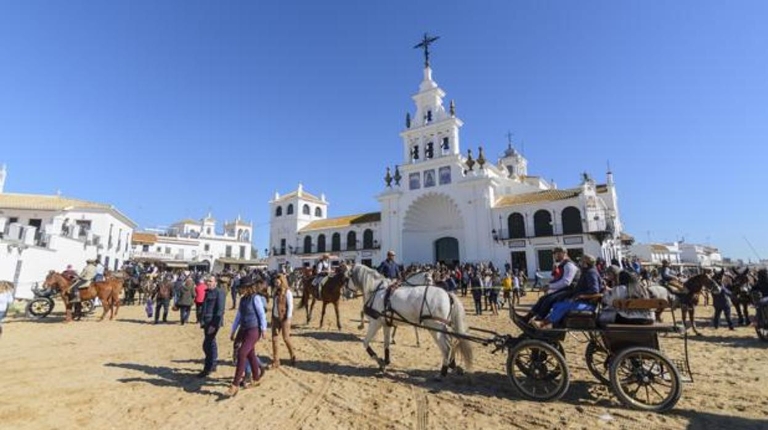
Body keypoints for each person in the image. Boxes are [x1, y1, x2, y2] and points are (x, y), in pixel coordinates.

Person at [533, 254, 601, 329]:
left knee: (562, 307)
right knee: (557, 305)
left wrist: (580, 296)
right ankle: (554, 326)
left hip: (588, 304)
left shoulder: (591, 273)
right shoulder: (587, 272)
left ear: (585, 263)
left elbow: (595, 291)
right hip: (582, 301)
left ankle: (543, 324)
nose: (579, 263)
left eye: (581, 261)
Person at [227, 275, 267, 396]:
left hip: (254, 330)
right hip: (244, 329)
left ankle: (235, 384)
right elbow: (238, 317)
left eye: (241, 288)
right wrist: (233, 330)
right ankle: (256, 378)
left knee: (242, 353)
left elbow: (261, 314)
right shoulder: (243, 300)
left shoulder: (256, 298)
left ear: (247, 287)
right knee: (250, 354)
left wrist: (264, 329)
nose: (239, 290)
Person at [526, 247, 580, 322]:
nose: (554, 256)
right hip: (566, 289)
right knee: (543, 298)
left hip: (571, 290)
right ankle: (527, 317)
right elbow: (560, 279)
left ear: (563, 253)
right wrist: (549, 285)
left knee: (549, 300)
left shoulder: (569, 265)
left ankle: (539, 320)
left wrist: (549, 286)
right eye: (554, 254)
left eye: (556, 253)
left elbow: (566, 282)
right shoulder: (563, 264)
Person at [199, 275, 226, 378]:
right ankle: (213, 364)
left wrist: (214, 325)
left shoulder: (219, 292)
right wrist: (201, 320)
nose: (208, 283)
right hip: (206, 322)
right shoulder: (207, 292)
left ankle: (207, 368)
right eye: (207, 281)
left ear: (215, 283)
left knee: (207, 344)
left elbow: (220, 310)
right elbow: (205, 307)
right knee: (212, 343)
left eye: (210, 281)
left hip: (213, 323)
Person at [270, 274, 296, 369]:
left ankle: (292, 355)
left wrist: (288, 318)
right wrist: (273, 317)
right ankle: (276, 360)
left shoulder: (288, 292)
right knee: (274, 339)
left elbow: (290, 306)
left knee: (286, 338)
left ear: (282, 282)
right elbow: (274, 306)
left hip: (284, 319)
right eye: (275, 282)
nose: (276, 284)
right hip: (276, 318)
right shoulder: (275, 292)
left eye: (277, 282)